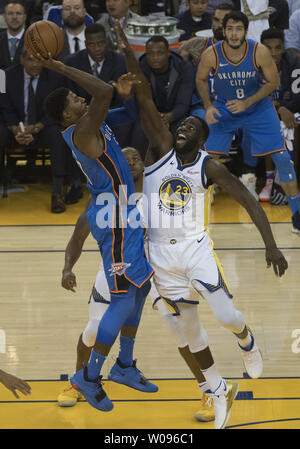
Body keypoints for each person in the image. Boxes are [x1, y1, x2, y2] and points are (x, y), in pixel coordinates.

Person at [116, 18, 288, 429]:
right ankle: (215, 387)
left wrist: (271, 243)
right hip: (159, 253)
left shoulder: (208, 166)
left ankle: (246, 339)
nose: (181, 128)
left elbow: (248, 200)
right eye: (180, 125)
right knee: (189, 334)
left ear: (202, 138)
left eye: (190, 127)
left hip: (194, 245)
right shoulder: (160, 151)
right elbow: (142, 97)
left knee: (226, 316)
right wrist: (127, 49)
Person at [57, 145, 217, 423]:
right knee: (94, 330)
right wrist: (67, 268)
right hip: (115, 270)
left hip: (156, 273)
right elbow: (78, 236)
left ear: (144, 164)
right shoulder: (108, 197)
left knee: (182, 332)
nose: (130, 161)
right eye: (125, 158)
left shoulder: (159, 197)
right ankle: (80, 382)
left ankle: (209, 392)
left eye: (135, 157)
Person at [39, 54, 153, 412]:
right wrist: (58, 66)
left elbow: (123, 108)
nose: (80, 98)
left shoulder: (92, 124)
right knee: (120, 300)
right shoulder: (83, 131)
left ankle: (124, 365)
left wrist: (121, 95)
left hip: (123, 207)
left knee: (140, 287)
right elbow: (102, 90)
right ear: (67, 116)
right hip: (114, 215)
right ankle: (89, 376)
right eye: (74, 100)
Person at [196, 10, 300, 233]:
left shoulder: (259, 51)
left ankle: (297, 215)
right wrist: (208, 106)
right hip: (225, 107)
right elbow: (201, 79)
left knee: (281, 157)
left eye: (239, 29)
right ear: (223, 31)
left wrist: (248, 102)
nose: (234, 34)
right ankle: (194, 216)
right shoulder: (211, 54)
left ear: (246, 31)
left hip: (257, 107)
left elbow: (273, 83)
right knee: (205, 161)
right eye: (230, 29)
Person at [1, 46, 82, 212]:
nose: (35, 64)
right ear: (22, 60)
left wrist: (36, 127)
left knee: (58, 135)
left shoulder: (54, 77)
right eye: (30, 59)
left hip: (42, 127)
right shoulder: (6, 76)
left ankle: (57, 193)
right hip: (15, 129)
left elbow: (56, 109)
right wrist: (15, 128)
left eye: (38, 59)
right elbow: (4, 106)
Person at [0, 1, 26, 70]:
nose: (14, 17)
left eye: (18, 13)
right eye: (10, 13)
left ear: (25, 17)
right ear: (4, 17)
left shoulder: (35, 41)